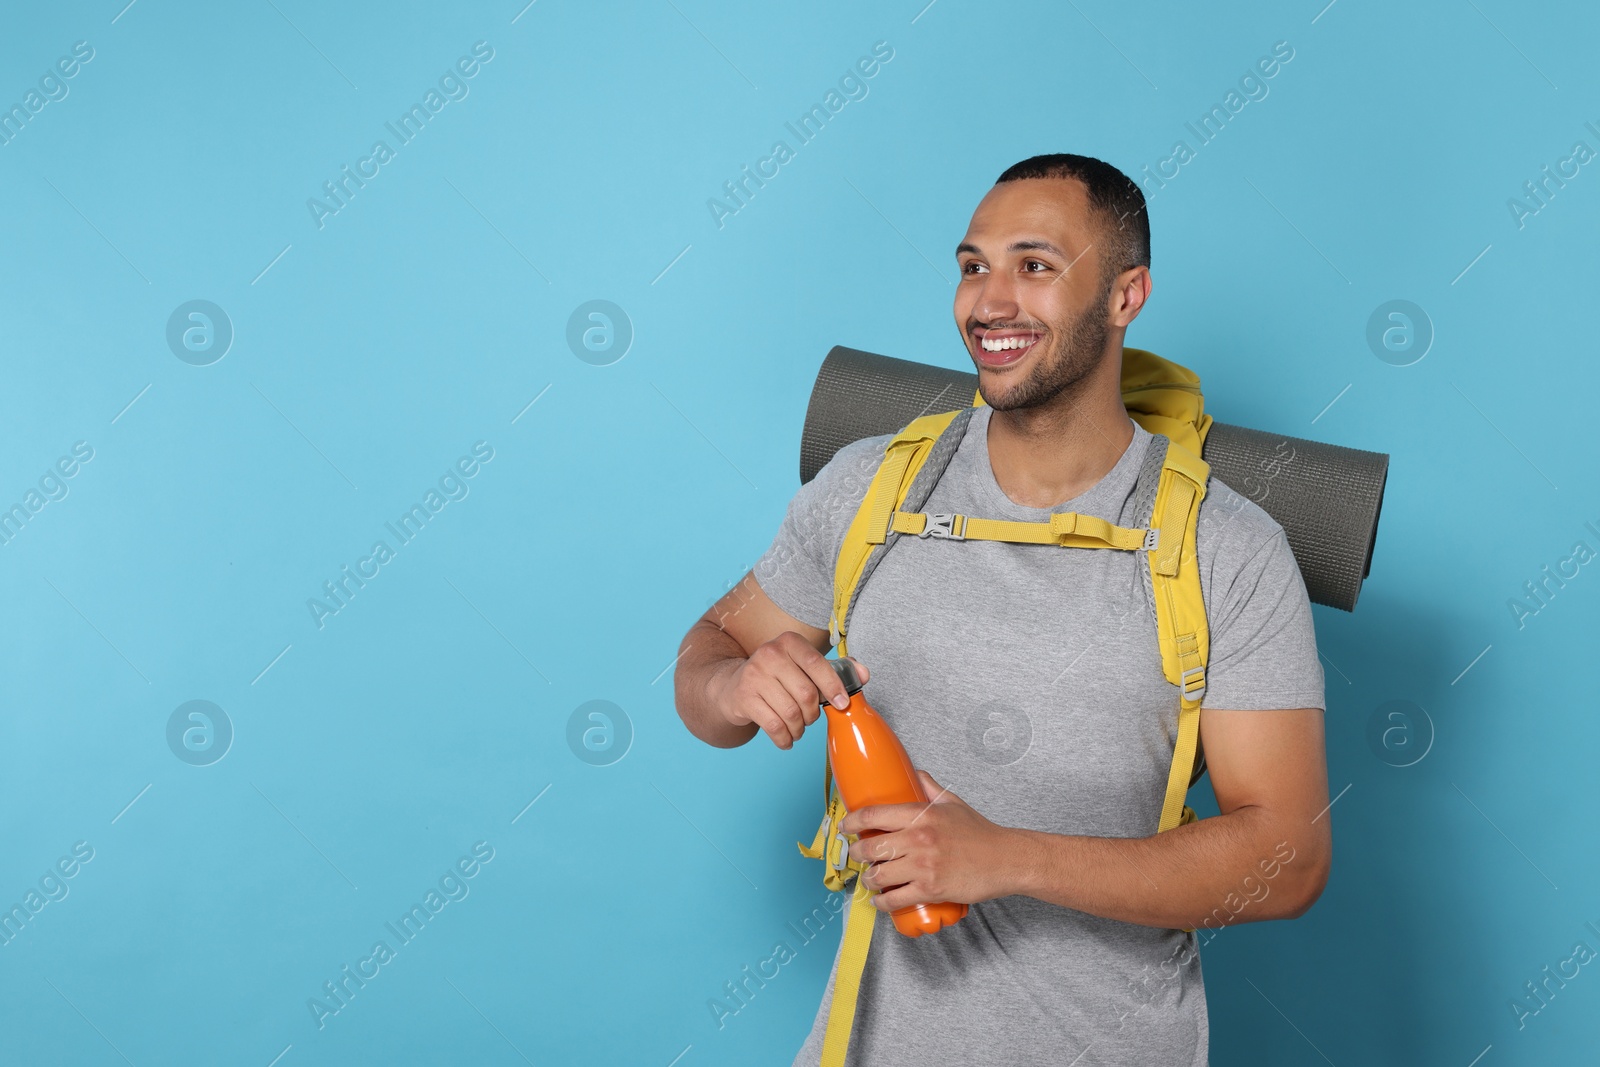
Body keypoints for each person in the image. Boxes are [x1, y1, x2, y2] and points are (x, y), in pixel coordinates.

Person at [672, 153, 1330, 1066]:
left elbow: (1288, 859)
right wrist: (735, 682)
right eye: (973, 266)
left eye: (1036, 265)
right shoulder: (871, 487)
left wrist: (1006, 857)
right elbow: (704, 662)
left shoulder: (1226, 547)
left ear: (1125, 295)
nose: (989, 302)